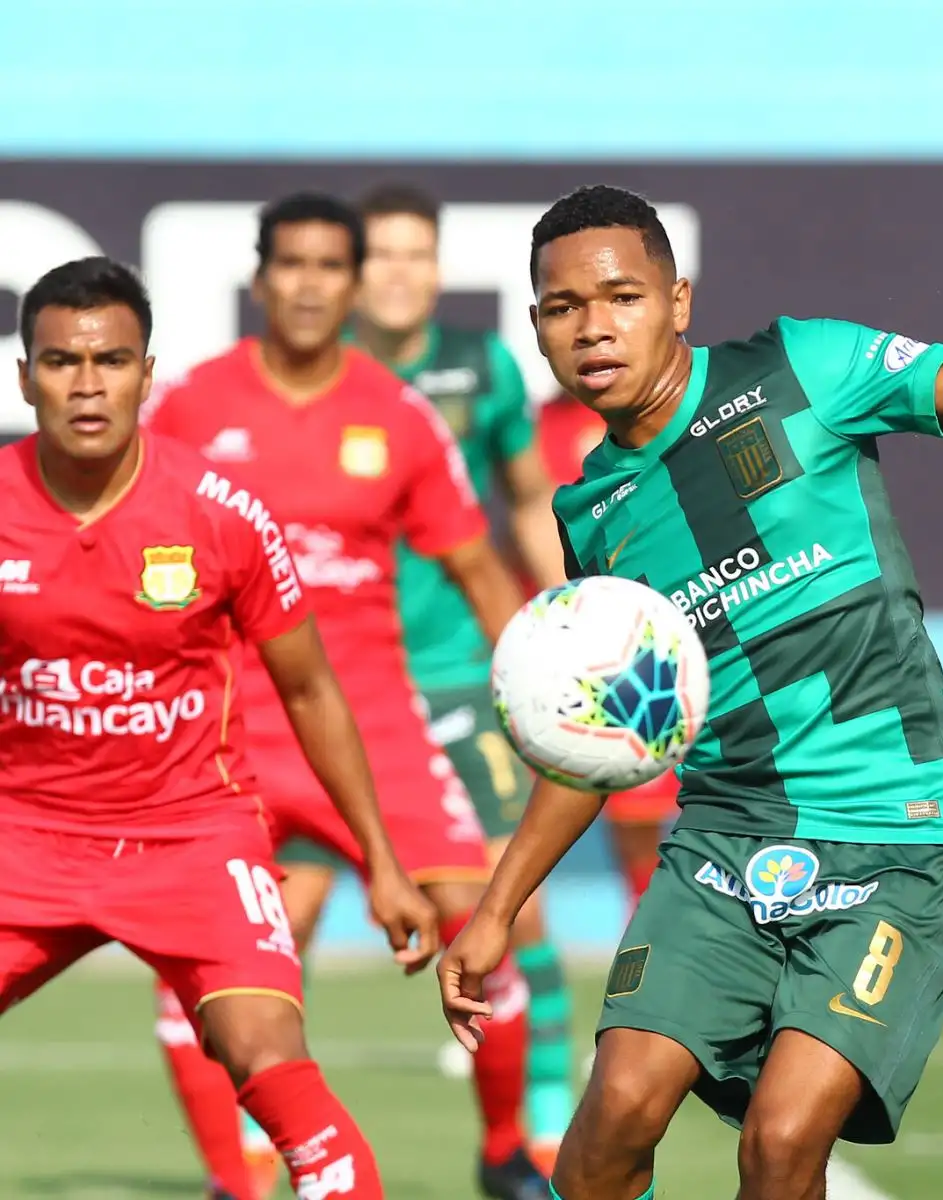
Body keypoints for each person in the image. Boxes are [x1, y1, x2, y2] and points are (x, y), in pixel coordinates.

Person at [431, 183, 943, 1200]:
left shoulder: (806, 367)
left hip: (896, 829)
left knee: (782, 1142)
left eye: (620, 296)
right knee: (606, 1134)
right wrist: (499, 907)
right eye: (561, 308)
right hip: (724, 838)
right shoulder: (594, 511)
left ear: (678, 300)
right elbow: (610, 731)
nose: (593, 327)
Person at [0, 256, 441, 1200]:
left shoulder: (218, 508)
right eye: (61, 362)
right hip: (26, 839)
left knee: (269, 1058)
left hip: (192, 837)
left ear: (145, 375)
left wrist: (381, 859)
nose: (87, 384)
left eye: (111, 361)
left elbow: (314, 690)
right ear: (24, 374)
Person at [143, 192, 551, 1200]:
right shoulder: (193, 407)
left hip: (376, 717)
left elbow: (479, 570)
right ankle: (235, 1181)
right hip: (234, 730)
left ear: (353, 281)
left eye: (332, 266)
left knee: (484, 918)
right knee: (202, 963)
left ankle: (505, 1151)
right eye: (293, 265)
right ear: (260, 281)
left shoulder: (398, 415)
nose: (312, 285)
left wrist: (550, 684)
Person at [253, 178, 574, 1171]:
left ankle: (536, 1119)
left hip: (460, 680)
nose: (399, 274)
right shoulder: (314, 378)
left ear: (441, 270)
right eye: (379, 255)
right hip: (328, 691)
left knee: (510, 906)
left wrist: (558, 632)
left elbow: (525, 506)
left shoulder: (480, 370)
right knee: (282, 916)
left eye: (416, 255)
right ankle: (258, 1139)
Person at [536, 391, 679, 919]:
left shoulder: (657, 414)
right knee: (616, 814)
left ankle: (661, 926)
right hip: (567, 649)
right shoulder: (536, 428)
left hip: (652, 640)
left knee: (651, 813)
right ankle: (642, 925)